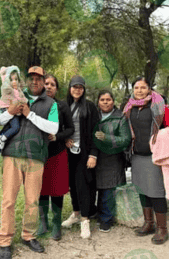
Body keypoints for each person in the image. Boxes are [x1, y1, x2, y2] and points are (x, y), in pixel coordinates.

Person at [0, 66, 58, 259]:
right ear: (27, 80)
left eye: (39, 79)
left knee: (32, 200)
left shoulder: (51, 103)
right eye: (31, 78)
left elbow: (53, 128)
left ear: (43, 81)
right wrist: (11, 112)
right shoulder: (13, 94)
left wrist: (29, 114)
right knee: (8, 201)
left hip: (35, 156)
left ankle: (28, 235)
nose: (35, 82)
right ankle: (5, 241)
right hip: (12, 154)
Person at [123, 77, 169, 245]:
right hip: (137, 155)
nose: (139, 90)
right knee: (142, 189)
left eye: (143, 87)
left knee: (156, 191)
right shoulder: (129, 108)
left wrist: (159, 139)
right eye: (136, 87)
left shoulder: (159, 106)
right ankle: (148, 223)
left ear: (149, 89)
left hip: (154, 156)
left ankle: (162, 229)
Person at [37, 74, 74, 241]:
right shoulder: (35, 104)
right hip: (39, 154)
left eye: (52, 84)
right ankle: (43, 222)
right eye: (46, 84)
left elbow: (70, 129)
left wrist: (58, 136)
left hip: (57, 154)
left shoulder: (62, 106)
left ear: (57, 88)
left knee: (57, 190)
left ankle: (56, 224)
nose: (49, 86)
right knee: (41, 189)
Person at [61, 75, 99, 239]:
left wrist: (93, 154)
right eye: (74, 86)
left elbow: (96, 132)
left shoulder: (90, 107)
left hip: (84, 152)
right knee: (71, 185)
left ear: (83, 90)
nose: (77, 90)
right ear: (70, 88)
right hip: (68, 152)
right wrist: (64, 139)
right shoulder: (63, 105)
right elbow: (58, 127)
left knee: (83, 185)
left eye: (80, 87)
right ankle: (76, 213)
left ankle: (85, 220)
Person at [93, 90, 131, 233]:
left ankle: (107, 219)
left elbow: (125, 139)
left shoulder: (120, 117)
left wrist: (106, 137)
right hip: (96, 156)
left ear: (113, 101)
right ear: (98, 102)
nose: (105, 102)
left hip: (113, 158)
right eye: (102, 99)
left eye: (108, 99)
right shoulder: (94, 115)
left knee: (108, 188)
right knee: (98, 188)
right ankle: (98, 213)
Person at [0, 66, 28, 148]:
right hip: (7, 108)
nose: (14, 82)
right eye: (12, 80)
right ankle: (2, 138)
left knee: (9, 125)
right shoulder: (8, 88)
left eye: (16, 79)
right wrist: (10, 69)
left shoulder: (19, 90)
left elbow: (23, 99)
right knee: (15, 127)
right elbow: (2, 71)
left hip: (15, 109)